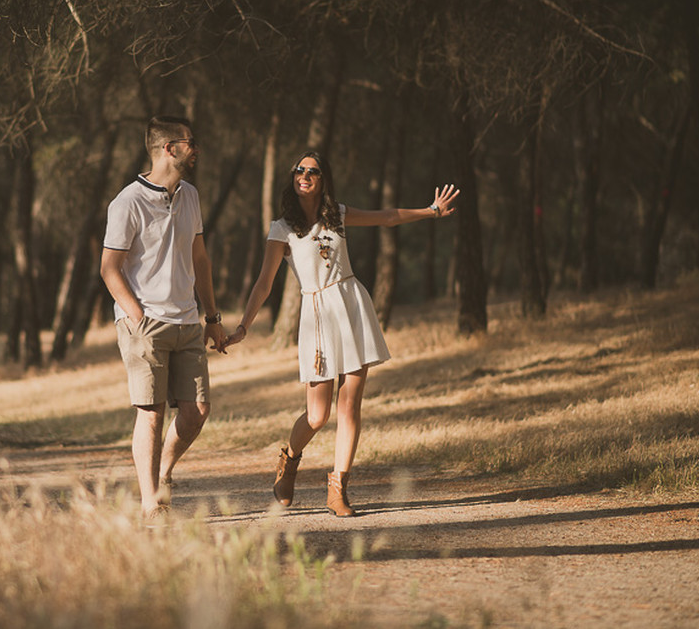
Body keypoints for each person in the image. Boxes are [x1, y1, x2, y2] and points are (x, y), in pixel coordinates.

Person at [224, 151, 458, 517]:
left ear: (323, 179)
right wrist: (243, 327)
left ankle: (338, 488)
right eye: (299, 170)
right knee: (317, 416)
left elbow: (388, 218)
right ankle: (289, 459)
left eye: (312, 171)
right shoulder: (281, 228)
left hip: (351, 306)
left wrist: (432, 211)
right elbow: (264, 283)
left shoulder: (340, 215)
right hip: (316, 316)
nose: (304, 175)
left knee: (350, 405)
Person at [100, 116, 229, 520]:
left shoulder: (190, 195)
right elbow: (109, 268)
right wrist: (137, 317)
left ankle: (163, 473)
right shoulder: (127, 202)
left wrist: (212, 316)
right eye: (191, 142)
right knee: (151, 412)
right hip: (146, 323)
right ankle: (149, 501)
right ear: (169, 149)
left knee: (197, 411)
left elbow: (200, 258)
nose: (197, 149)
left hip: (188, 320)